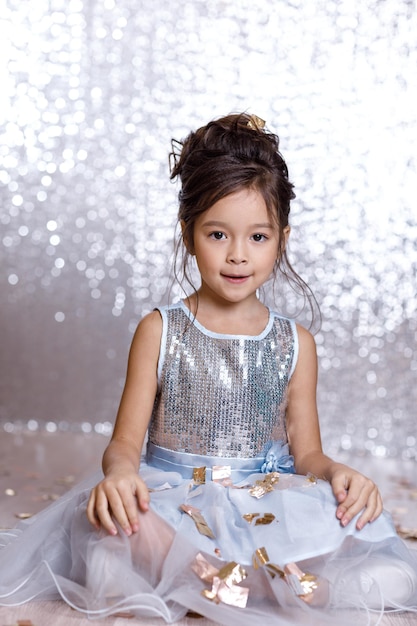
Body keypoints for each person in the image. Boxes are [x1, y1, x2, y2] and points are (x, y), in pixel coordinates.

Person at [1, 113, 416, 625]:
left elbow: (307, 453)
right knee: (110, 549)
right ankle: (269, 588)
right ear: (188, 232)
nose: (238, 256)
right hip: (174, 498)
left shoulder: (295, 343)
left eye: (258, 238)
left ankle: (215, 583)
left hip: (264, 498)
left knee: (377, 553)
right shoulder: (161, 330)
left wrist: (338, 474)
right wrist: (122, 476)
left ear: (282, 236)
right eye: (218, 234)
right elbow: (125, 443)